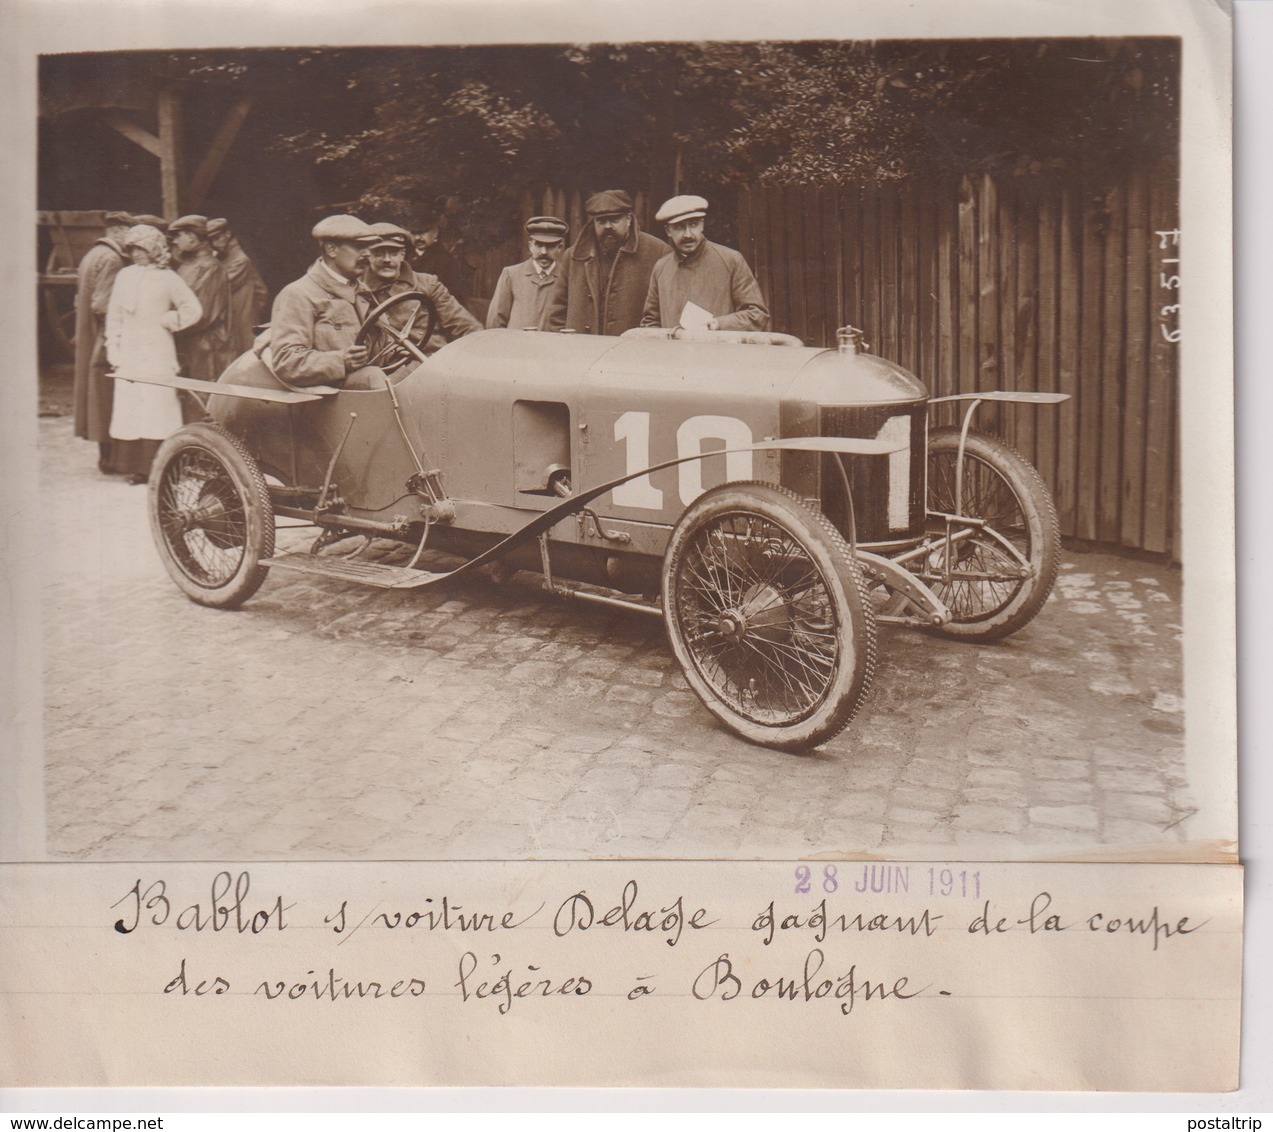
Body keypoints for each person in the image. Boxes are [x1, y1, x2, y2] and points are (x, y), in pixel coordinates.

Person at [104, 224, 203, 484]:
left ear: (154, 249)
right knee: (133, 405)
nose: (136, 254)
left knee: (157, 407)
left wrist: (171, 320)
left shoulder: (168, 278)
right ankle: (138, 468)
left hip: (157, 349)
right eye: (132, 249)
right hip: (130, 351)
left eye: (141, 249)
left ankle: (162, 466)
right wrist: (113, 347)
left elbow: (193, 308)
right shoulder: (124, 276)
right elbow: (114, 314)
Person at [267, 214, 388, 389]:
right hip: (329, 397)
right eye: (360, 247)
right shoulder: (298, 294)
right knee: (372, 376)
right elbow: (287, 362)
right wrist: (341, 360)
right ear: (331, 249)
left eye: (369, 247)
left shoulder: (361, 291)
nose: (368, 254)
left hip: (365, 390)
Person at [641, 195, 770, 332]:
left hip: (717, 351)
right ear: (668, 231)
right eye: (679, 227)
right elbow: (650, 322)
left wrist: (718, 324)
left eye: (693, 225)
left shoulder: (730, 260)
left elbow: (757, 314)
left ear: (702, 225)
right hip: (675, 353)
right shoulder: (661, 268)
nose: (688, 234)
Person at [548, 190, 668, 335]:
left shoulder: (657, 252)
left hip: (632, 351)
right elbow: (557, 311)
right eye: (601, 221)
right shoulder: (573, 257)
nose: (608, 226)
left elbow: (665, 310)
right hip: (582, 351)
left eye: (614, 220)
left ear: (629, 219)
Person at [359, 222, 482, 360]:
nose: (387, 259)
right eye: (379, 253)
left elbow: (465, 326)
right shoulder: (358, 289)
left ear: (402, 254)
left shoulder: (428, 284)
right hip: (387, 368)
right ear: (367, 255)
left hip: (432, 361)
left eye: (393, 253)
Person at [73, 210, 137, 473]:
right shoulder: (112, 259)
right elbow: (102, 304)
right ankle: (109, 459)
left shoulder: (92, 254)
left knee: (97, 395)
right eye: (129, 234)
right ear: (119, 231)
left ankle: (106, 457)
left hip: (88, 336)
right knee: (106, 396)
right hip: (102, 338)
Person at [167, 214, 233, 381]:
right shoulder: (188, 265)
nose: (174, 241)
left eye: (178, 235)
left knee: (202, 401)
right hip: (190, 346)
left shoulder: (211, 267)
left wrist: (167, 322)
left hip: (206, 349)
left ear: (192, 237)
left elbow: (201, 315)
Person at [485, 216, 569, 331]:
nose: (544, 252)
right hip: (517, 347)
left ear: (560, 248)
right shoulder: (511, 274)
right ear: (530, 246)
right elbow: (495, 323)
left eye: (550, 246)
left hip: (553, 347)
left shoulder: (567, 278)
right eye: (539, 245)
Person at [206, 218, 269, 354]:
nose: (215, 244)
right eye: (211, 240)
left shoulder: (239, 260)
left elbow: (217, 287)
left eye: (217, 238)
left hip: (242, 318)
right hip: (239, 317)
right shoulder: (227, 257)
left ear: (227, 234)